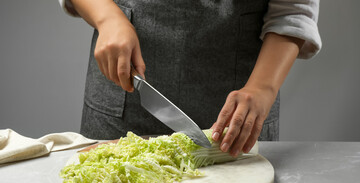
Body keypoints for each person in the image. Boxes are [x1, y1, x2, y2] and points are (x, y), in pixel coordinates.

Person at [58, 0, 321, 156]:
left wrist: (263, 87)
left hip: (235, 114)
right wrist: (108, 18)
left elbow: (293, 9)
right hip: (120, 96)